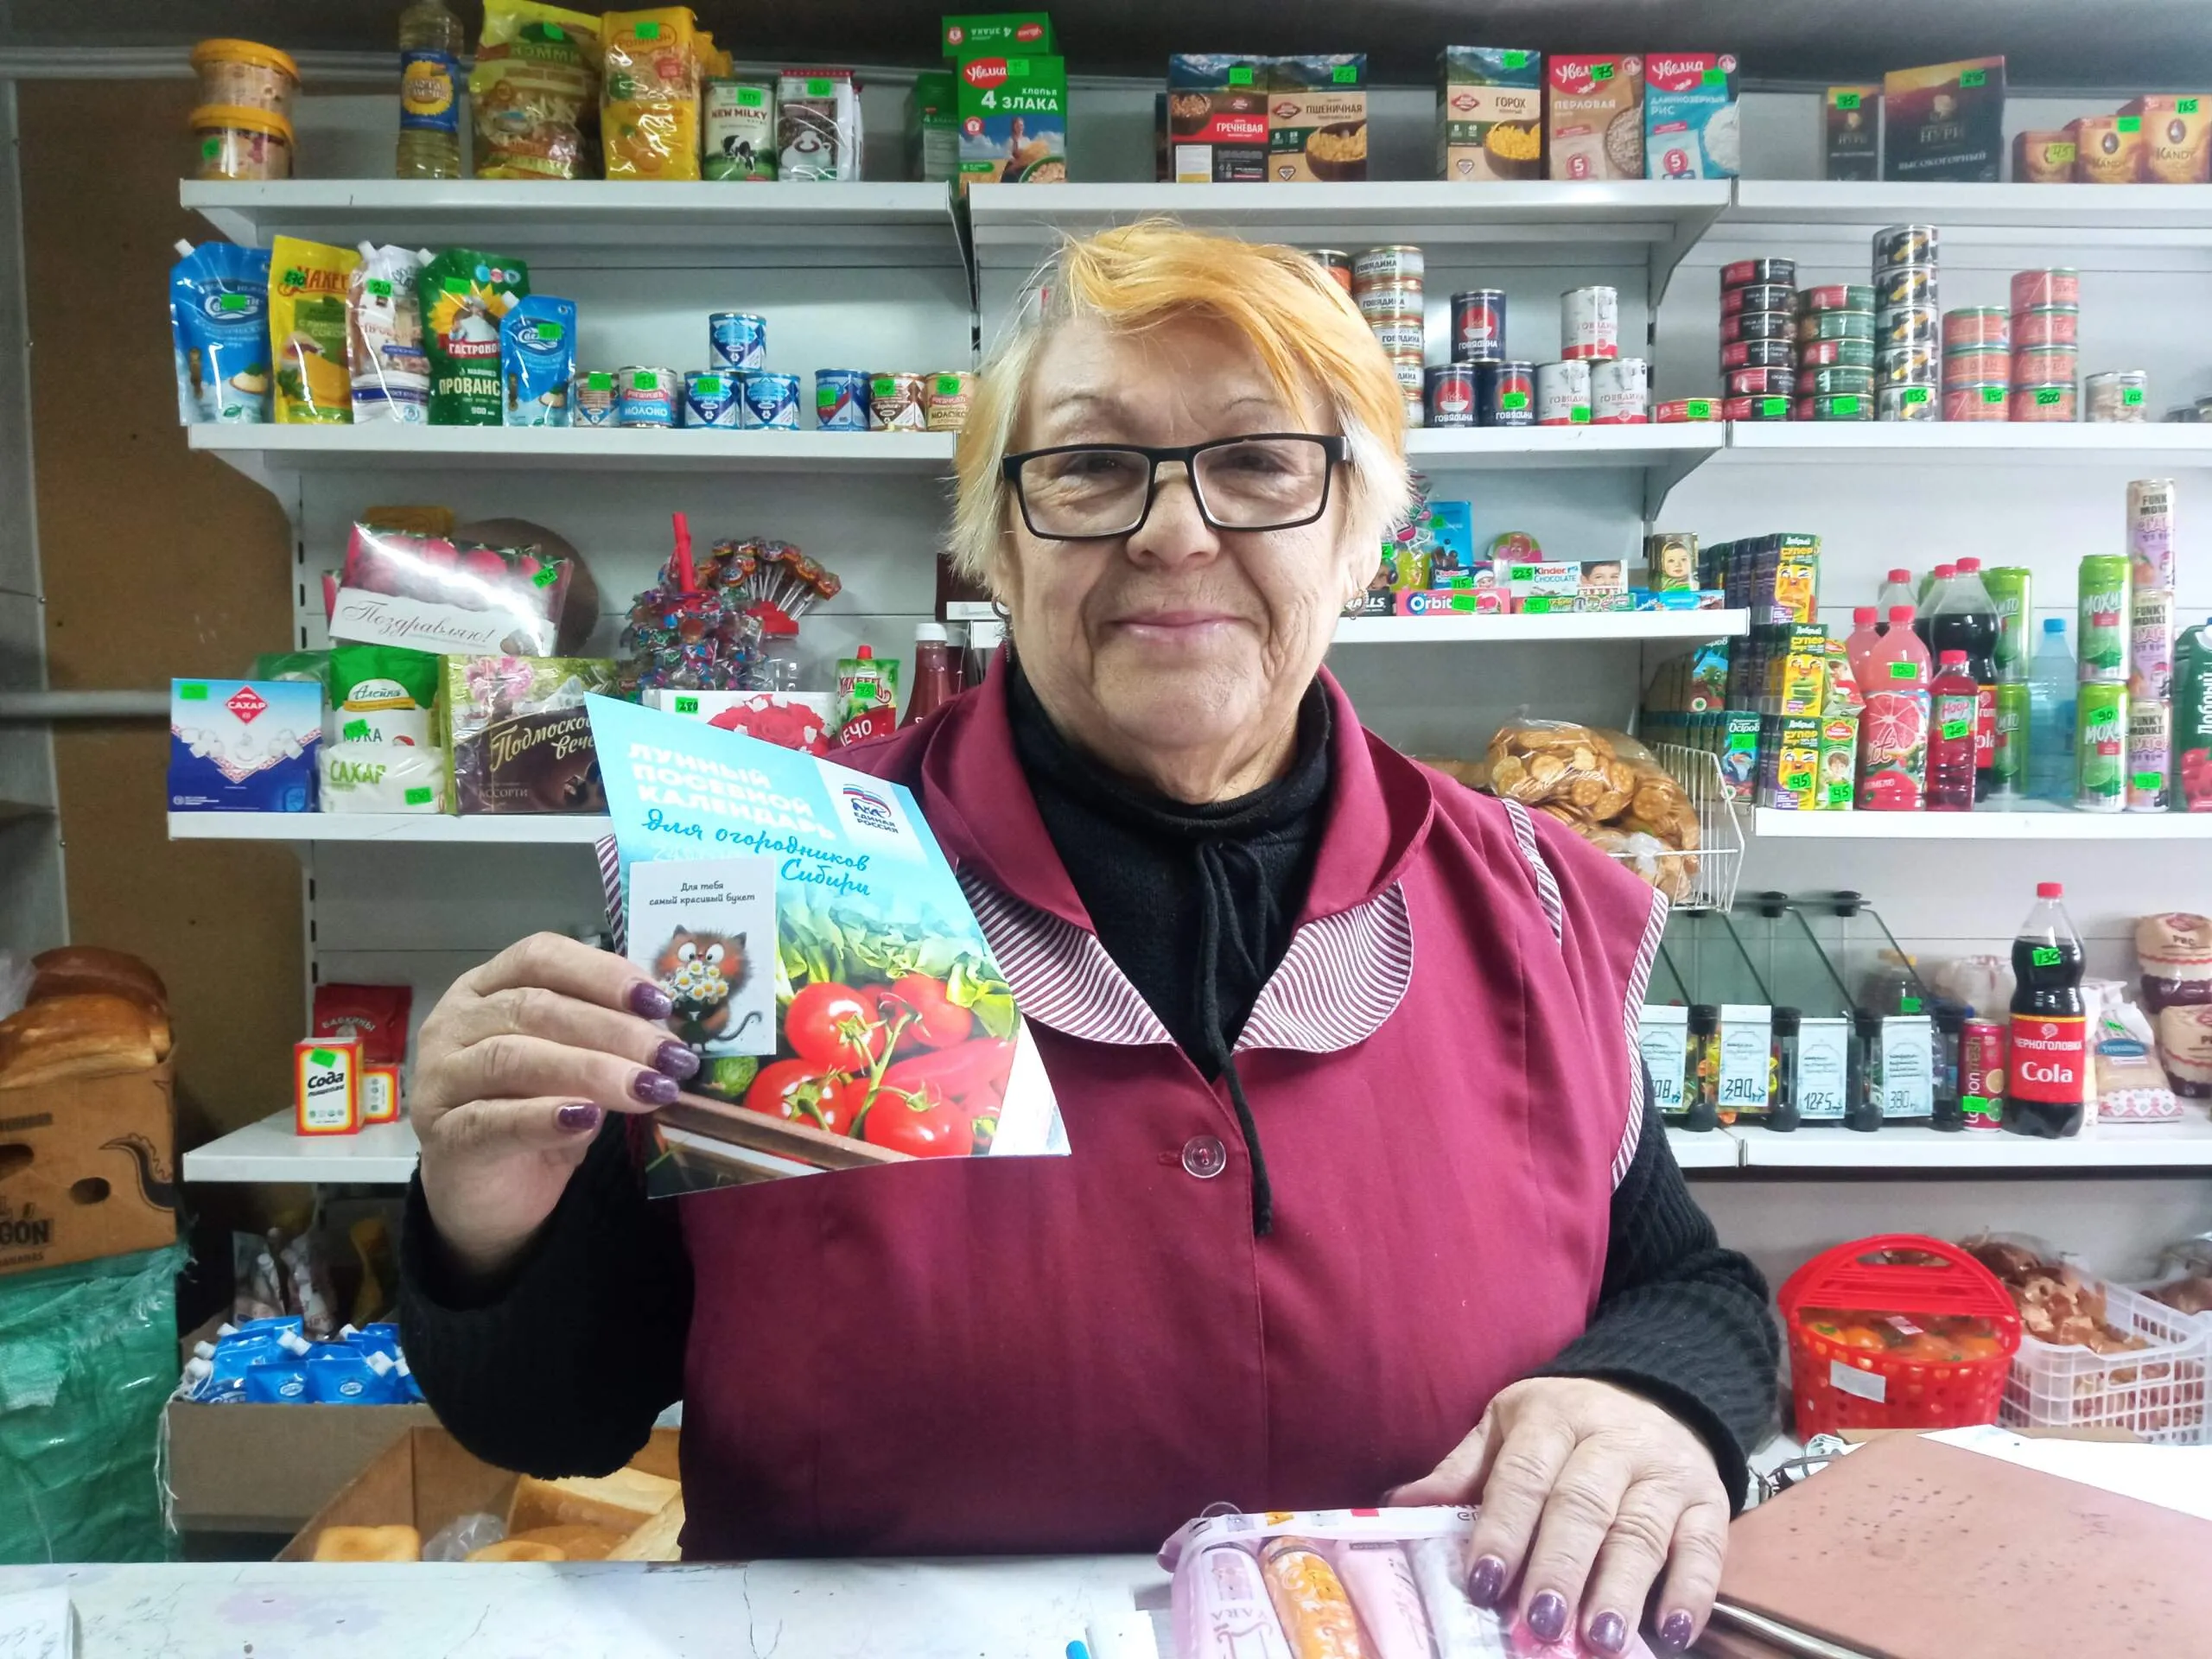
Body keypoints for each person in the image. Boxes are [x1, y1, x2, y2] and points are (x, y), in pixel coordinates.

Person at [401, 222, 1776, 1656]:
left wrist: (1653, 1400)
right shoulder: (768, 877)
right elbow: (557, 1417)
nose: (1174, 530)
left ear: (1363, 537)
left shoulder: (1530, 901)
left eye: (1260, 462)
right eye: (1091, 466)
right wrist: (487, 1224)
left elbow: (1686, 1285)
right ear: (996, 541)